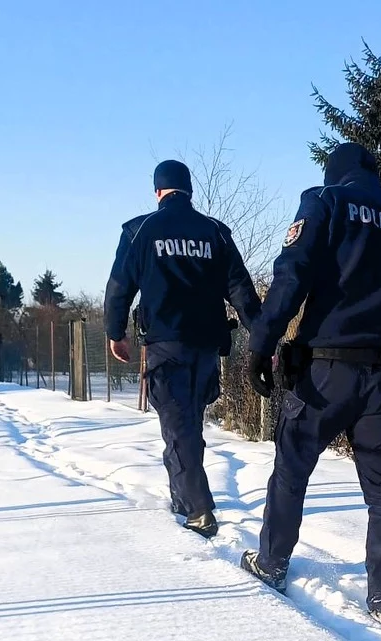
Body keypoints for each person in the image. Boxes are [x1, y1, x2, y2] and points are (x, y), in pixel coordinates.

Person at [239, 143, 381, 634]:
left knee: (292, 468)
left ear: (336, 173)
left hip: (325, 372)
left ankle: (272, 562)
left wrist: (261, 344)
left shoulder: (325, 201)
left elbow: (291, 278)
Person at [104, 159, 262, 538]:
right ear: (189, 190)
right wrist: (261, 334)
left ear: (158, 191)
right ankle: (183, 496)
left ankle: (197, 510)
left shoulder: (139, 230)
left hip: (166, 344)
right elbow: (241, 289)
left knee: (178, 428)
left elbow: (119, 286)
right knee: (189, 423)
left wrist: (116, 332)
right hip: (206, 346)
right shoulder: (215, 232)